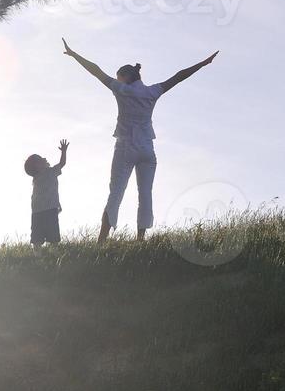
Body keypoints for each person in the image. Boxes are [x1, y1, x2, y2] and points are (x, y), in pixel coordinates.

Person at [62, 38, 217, 242]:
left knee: (115, 192)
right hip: (147, 149)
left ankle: (101, 241)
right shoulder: (152, 91)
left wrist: (74, 55)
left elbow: (96, 71)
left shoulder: (121, 89)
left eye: (119, 77)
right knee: (145, 194)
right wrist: (202, 64)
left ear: (125, 77)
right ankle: (140, 240)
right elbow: (179, 76)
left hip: (125, 147)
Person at [24, 139, 68, 248]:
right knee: (49, 231)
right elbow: (62, 163)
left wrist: (63, 151)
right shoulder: (49, 172)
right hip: (48, 209)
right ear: (37, 167)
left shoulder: (41, 175)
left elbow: (61, 164)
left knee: (39, 232)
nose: (44, 158)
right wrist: (63, 151)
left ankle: (40, 250)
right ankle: (49, 249)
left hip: (39, 210)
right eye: (40, 159)